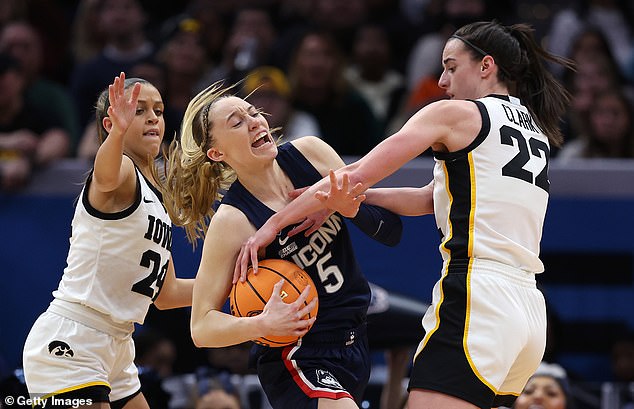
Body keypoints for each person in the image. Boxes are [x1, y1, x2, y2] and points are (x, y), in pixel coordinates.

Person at [235, 20, 574, 409]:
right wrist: (349, 200)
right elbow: (433, 197)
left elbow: (354, 174)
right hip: (529, 311)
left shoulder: (456, 115)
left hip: (480, 297)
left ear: (486, 66)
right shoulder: (535, 130)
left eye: (450, 66)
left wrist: (273, 224)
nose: (442, 81)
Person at [157, 81, 403, 408]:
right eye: (237, 122)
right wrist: (261, 324)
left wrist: (349, 207)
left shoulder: (311, 154)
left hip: (355, 339)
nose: (255, 121)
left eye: (253, 113)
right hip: (296, 356)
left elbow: (392, 231)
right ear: (217, 153)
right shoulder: (232, 221)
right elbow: (201, 326)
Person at [22, 73, 194, 409]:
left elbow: (167, 295)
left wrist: (233, 283)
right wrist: (116, 134)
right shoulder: (121, 173)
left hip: (117, 344)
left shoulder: (155, 203)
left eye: (158, 111)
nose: (153, 118)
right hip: (74, 338)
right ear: (111, 121)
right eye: (139, 110)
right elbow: (105, 173)